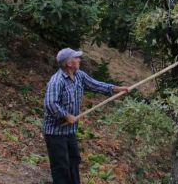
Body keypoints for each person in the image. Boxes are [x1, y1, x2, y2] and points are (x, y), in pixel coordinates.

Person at [43, 47, 130, 184]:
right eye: (76, 58)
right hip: (55, 132)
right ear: (69, 63)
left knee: (74, 161)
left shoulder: (79, 75)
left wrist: (116, 88)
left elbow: (96, 85)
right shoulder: (57, 81)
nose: (79, 60)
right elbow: (50, 104)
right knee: (61, 167)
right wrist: (66, 115)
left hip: (70, 130)